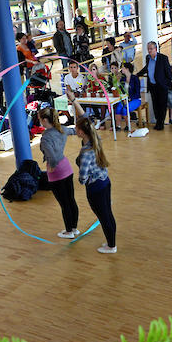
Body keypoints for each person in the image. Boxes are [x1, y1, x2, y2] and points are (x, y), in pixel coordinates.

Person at [66, 89, 117, 254]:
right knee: (107, 213)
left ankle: (111, 246)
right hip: (105, 182)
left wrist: (80, 172)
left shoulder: (87, 154)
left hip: (95, 188)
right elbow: (83, 118)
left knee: (103, 216)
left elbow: (82, 178)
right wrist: (73, 100)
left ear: (81, 132)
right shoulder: (95, 138)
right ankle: (111, 243)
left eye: (76, 127)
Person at [38, 106, 80, 239]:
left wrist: (51, 166)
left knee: (64, 203)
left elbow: (52, 157)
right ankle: (74, 228)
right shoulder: (61, 129)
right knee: (71, 200)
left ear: (45, 120)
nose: (39, 121)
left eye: (40, 119)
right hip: (67, 168)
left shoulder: (45, 138)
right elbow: (74, 131)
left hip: (57, 173)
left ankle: (69, 231)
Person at [135, 41, 172, 130]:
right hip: (152, 86)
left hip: (162, 87)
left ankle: (160, 123)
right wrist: (137, 74)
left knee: (162, 105)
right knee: (155, 105)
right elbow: (146, 68)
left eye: (151, 49)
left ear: (156, 49)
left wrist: (165, 85)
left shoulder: (163, 58)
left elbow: (169, 73)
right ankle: (157, 121)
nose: (149, 50)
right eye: (148, 49)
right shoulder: (148, 58)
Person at [114, 62, 140, 132]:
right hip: (124, 99)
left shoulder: (135, 78)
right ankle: (118, 126)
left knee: (125, 108)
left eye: (122, 68)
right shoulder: (123, 79)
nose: (121, 69)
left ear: (127, 69)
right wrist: (117, 80)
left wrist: (129, 99)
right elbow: (118, 89)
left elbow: (137, 93)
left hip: (135, 99)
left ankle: (128, 126)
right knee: (118, 107)